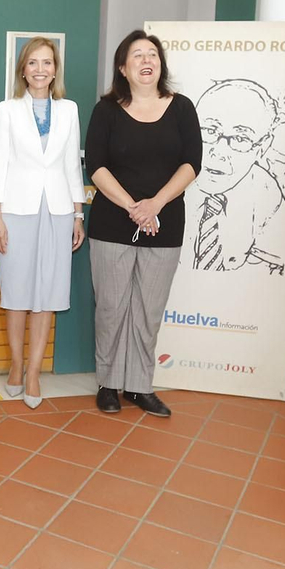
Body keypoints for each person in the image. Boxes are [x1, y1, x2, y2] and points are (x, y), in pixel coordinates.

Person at [84, 30, 201, 416]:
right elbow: (96, 166)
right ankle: (108, 383)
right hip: (112, 222)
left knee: (148, 310)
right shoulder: (106, 110)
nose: (146, 60)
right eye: (137, 55)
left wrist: (156, 204)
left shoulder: (182, 107)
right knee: (112, 307)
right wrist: (134, 206)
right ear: (123, 67)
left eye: (152, 54)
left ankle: (138, 386)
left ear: (160, 64)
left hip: (164, 223)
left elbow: (191, 164)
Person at [0, 37, 86, 409]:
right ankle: (15, 364)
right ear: (23, 70)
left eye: (47, 63)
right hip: (15, 210)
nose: (40, 69)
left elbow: (72, 165)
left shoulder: (70, 110)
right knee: (16, 292)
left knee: (48, 294)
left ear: (55, 69)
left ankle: (33, 373)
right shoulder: (6, 110)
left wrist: (78, 214)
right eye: (33, 63)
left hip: (58, 212)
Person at [186, 78, 285, 274]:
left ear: (263, 146)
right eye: (209, 130)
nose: (219, 151)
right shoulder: (165, 177)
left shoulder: (271, 202)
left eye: (241, 138)